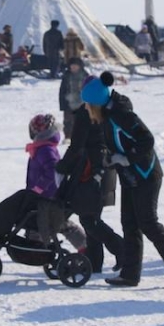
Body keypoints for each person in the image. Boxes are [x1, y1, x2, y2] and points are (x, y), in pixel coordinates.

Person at [82, 72, 164, 288]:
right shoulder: (106, 115)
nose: (86, 108)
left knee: (148, 222)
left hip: (146, 174)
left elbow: (146, 140)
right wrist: (111, 159)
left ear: (96, 102)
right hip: (130, 175)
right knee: (129, 224)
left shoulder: (121, 115)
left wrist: (127, 158)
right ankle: (130, 274)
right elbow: (117, 144)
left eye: (87, 103)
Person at [56, 75, 124, 274]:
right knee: (91, 216)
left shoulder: (86, 114)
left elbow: (76, 146)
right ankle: (94, 262)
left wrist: (62, 167)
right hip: (107, 169)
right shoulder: (109, 111)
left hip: (90, 171)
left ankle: (123, 250)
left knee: (89, 219)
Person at [24, 114, 87, 251]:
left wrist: (38, 189)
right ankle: (34, 247)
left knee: (56, 223)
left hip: (49, 196)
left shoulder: (45, 150)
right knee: (41, 221)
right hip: (42, 195)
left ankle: (84, 247)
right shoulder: (41, 148)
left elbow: (52, 171)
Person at [58, 58, 88, 143]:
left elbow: (90, 89)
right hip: (69, 102)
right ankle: (68, 136)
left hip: (82, 102)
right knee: (68, 121)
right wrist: (63, 104)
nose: (73, 67)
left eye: (75, 66)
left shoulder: (85, 75)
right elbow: (62, 90)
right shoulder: (67, 76)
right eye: (72, 66)